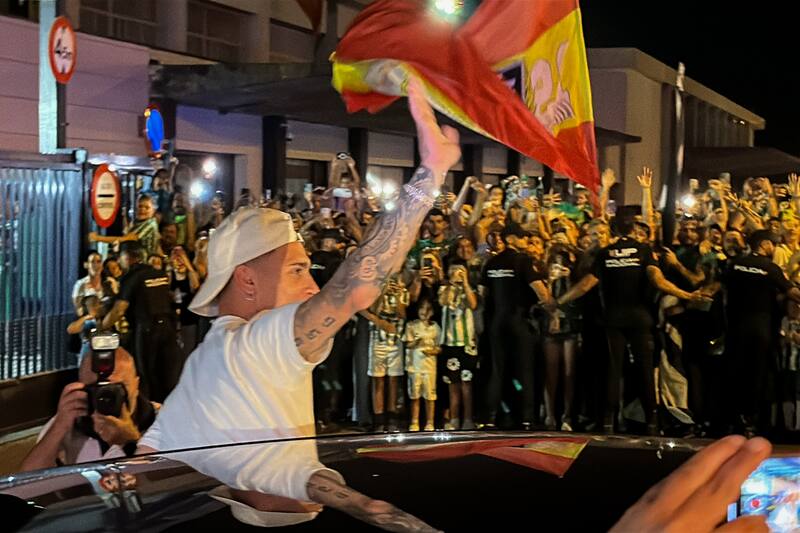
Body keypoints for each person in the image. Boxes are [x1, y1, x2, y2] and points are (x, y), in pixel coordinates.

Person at [136, 78, 462, 453]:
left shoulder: (210, 357)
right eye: (296, 271)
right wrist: (430, 173)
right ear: (247, 280)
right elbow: (355, 286)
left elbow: (149, 460)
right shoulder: (252, 345)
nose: (312, 286)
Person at [557, 217, 706, 435]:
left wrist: (558, 302)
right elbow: (658, 281)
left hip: (613, 320)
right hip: (640, 318)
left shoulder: (605, 253)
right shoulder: (643, 250)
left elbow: (585, 285)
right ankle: (652, 423)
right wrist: (687, 294)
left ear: (613, 230)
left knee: (613, 370)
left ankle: (608, 423)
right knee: (645, 370)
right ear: (633, 229)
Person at [717, 229, 800, 434]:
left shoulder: (734, 264)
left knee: (734, 371)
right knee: (756, 374)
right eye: (773, 244)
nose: (774, 248)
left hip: (736, 327)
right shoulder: (770, 268)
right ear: (764, 244)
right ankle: (750, 421)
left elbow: (721, 290)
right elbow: (792, 292)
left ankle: (730, 420)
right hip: (761, 328)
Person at [19, 348, 156, 471]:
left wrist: (130, 441)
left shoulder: (162, 419)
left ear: (136, 384)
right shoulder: (70, 419)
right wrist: (60, 426)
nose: (107, 398)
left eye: (117, 388)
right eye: (97, 389)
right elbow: (28, 480)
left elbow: (167, 482)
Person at [480, 223, 553, 429]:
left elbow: (482, 295)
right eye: (521, 238)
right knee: (525, 370)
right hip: (519, 322)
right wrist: (547, 305)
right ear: (510, 239)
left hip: (496, 323)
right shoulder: (524, 261)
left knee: (497, 370)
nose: (525, 241)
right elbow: (541, 292)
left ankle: (491, 417)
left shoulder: (491, 263)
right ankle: (527, 418)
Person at [103, 241, 180, 403]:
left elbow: (119, 309)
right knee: (167, 374)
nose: (118, 261)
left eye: (120, 257)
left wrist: (101, 327)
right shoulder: (159, 274)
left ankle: (148, 415)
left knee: (145, 374)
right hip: (168, 328)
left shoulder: (132, 277)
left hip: (147, 329)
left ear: (128, 257)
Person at [364, 273, 409, 432]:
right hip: (378, 340)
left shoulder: (402, 291)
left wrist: (396, 295)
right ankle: (378, 420)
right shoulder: (375, 291)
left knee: (393, 380)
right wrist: (382, 292)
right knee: (378, 380)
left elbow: (403, 314)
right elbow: (373, 311)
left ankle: (392, 418)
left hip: (395, 340)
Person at [438, 263, 478, 430]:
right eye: (454, 271)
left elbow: (473, 304)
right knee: (452, 383)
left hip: (467, 344)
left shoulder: (469, 289)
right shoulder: (444, 289)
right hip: (450, 344)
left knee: (466, 382)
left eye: (460, 272)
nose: (457, 275)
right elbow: (443, 301)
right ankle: (454, 418)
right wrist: (451, 284)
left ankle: (468, 418)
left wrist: (466, 283)